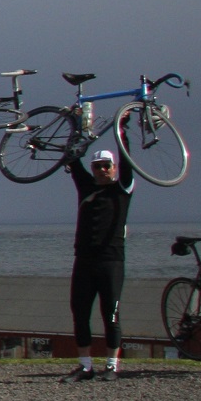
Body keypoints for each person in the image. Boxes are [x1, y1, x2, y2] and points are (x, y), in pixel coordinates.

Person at [63, 149, 132, 381]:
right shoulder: (86, 186)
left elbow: (127, 161)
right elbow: (72, 158)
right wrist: (75, 128)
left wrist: (122, 131)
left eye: (107, 165)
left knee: (110, 314)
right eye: (97, 166)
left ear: (114, 167)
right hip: (83, 260)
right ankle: (85, 366)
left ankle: (112, 365)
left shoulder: (122, 189)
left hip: (111, 261)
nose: (102, 170)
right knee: (79, 312)